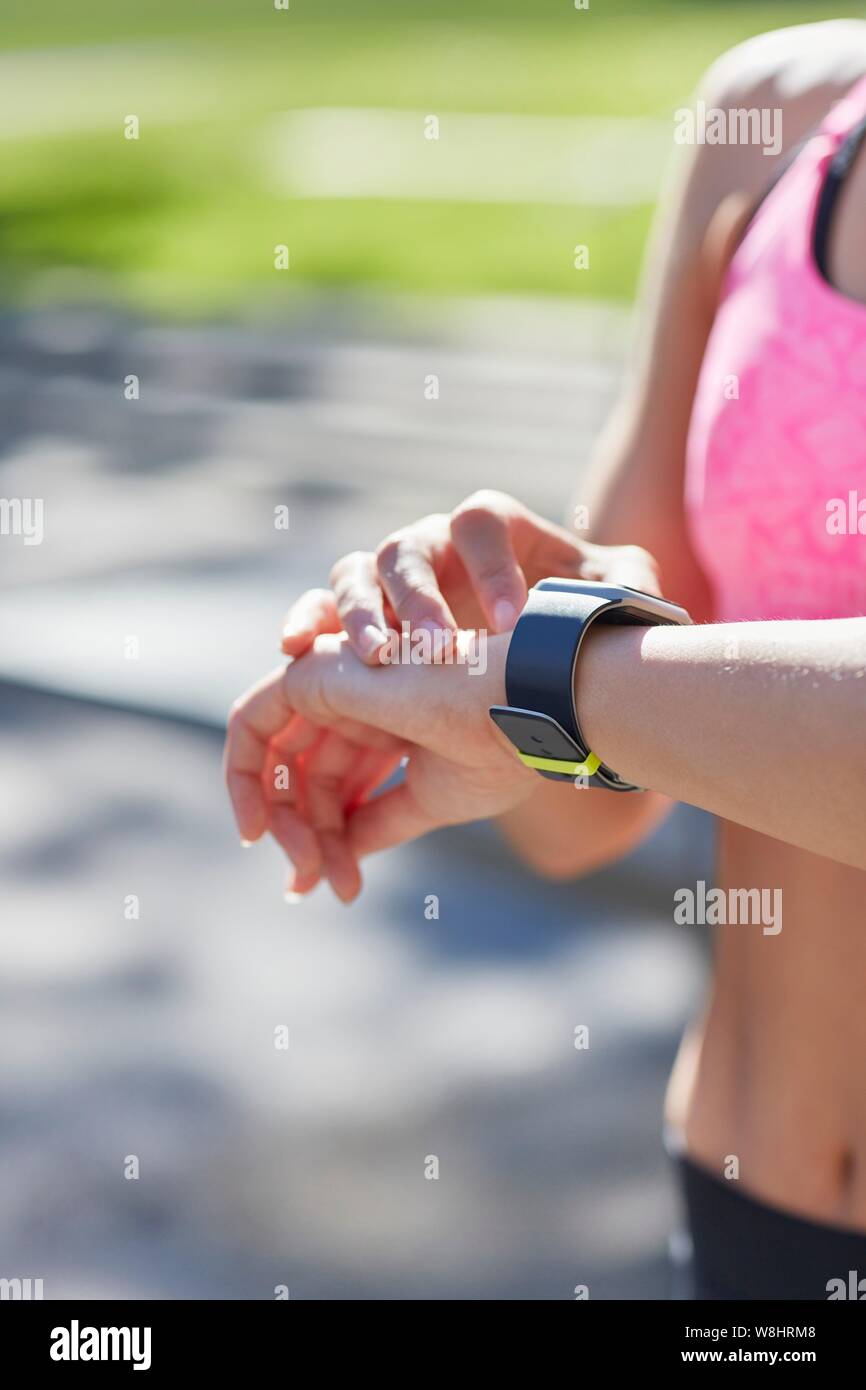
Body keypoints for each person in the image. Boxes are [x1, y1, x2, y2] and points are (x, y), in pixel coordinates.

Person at [225, 19, 866, 1298]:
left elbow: (608, 693)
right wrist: (472, 675)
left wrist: (553, 674)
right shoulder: (770, 118)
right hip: (752, 1206)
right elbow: (583, 818)